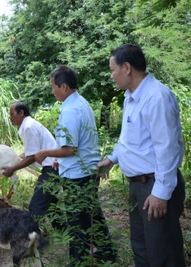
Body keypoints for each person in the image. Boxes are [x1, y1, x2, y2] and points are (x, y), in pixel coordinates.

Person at [97, 44, 185, 267]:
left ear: (126, 68)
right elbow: (129, 139)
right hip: (138, 186)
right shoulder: (131, 96)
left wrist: (161, 194)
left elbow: (168, 148)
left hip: (154, 185)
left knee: (162, 252)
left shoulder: (157, 97)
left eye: (113, 69)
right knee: (142, 247)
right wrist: (112, 158)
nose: (111, 75)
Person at [34, 65, 115, 264]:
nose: (52, 90)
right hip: (88, 170)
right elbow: (74, 145)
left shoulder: (70, 110)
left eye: (53, 86)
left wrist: (45, 152)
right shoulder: (81, 102)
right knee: (92, 213)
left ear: (63, 87)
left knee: (77, 221)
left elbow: (70, 149)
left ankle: (78, 261)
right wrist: (57, 158)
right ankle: (106, 251)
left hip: (78, 175)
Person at [2, 101, 63, 229]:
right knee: (50, 202)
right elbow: (31, 152)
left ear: (21, 113)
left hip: (52, 167)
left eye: (11, 114)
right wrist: (16, 158)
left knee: (36, 205)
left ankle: (31, 235)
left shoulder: (29, 127)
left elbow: (31, 157)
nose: (10, 117)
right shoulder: (28, 126)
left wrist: (12, 169)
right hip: (53, 166)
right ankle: (63, 230)